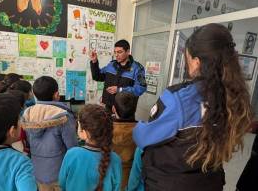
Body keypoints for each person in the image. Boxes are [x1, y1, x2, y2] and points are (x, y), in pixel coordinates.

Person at [133, 23, 253, 191]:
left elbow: (143, 137)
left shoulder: (178, 99)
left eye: (187, 58)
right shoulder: (236, 98)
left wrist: (138, 126)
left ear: (197, 62)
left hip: (170, 183)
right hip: (209, 181)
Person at [21, 76, 78, 191]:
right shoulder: (63, 115)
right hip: (59, 173)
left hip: (37, 171)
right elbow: (73, 148)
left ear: (35, 94)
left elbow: (28, 142)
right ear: (56, 94)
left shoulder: (28, 113)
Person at [59, 104, 122, 191]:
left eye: (78, 124)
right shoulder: (116, 159)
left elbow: (62, 183)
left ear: (84, 133)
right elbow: (116, 187)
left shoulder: (72, 154)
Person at [89, 40, 147, 110]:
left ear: (128, 52)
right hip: (108, 107)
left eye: (119, 52)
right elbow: (97, 76)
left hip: (124, 111)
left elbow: (141, 88)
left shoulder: (137, 69)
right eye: (115, 52)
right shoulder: (111, 65)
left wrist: (120, 90)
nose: (116, 55)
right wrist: (94, 61)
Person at [111, 92, 138, 190]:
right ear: (135, 109)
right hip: (131, 179)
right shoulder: (142, 131)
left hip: (110, 178)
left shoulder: (106, 130)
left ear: (113, 109)